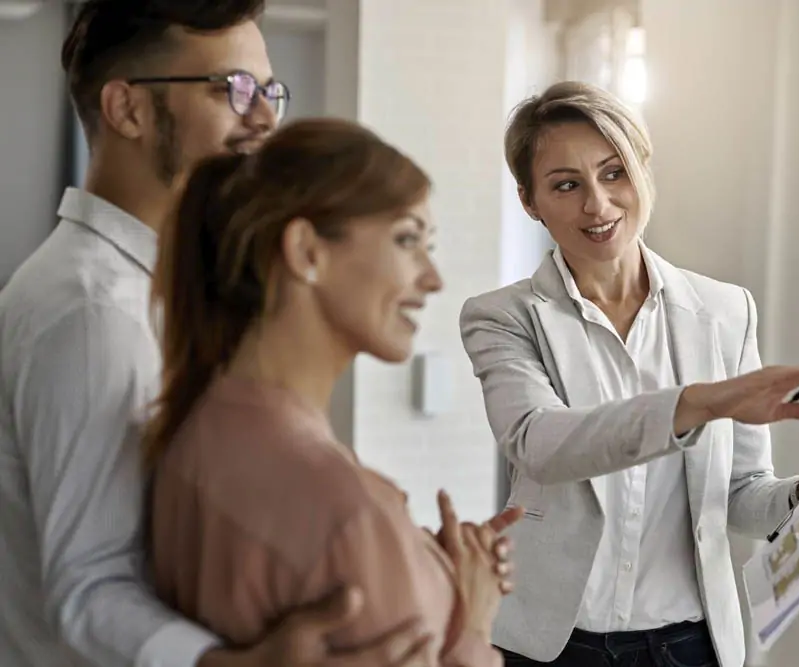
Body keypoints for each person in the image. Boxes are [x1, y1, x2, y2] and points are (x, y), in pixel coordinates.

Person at [0, 1, 464, 665]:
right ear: (127, 109)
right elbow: (90, 586)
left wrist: (395, 558)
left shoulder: (173, 294)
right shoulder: (92, 311)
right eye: (233, 89)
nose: (267, 117)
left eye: (269, 91)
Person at [459, 81, 799, 667]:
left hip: (689, 646)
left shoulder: (726, 311)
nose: (597, 204)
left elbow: (740, 497)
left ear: (644, 170)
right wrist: (698, 403)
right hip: (550, 647)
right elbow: (540, 443)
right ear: (530, 202)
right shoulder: (503, 317)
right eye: (566, 185)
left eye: (614, 172)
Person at [145, 117, 508, 666]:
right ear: (307, 251)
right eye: (408, 240)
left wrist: (419, 560)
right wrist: (474, 622)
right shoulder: (351, 515)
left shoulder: (193, 434)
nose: (433, 278)